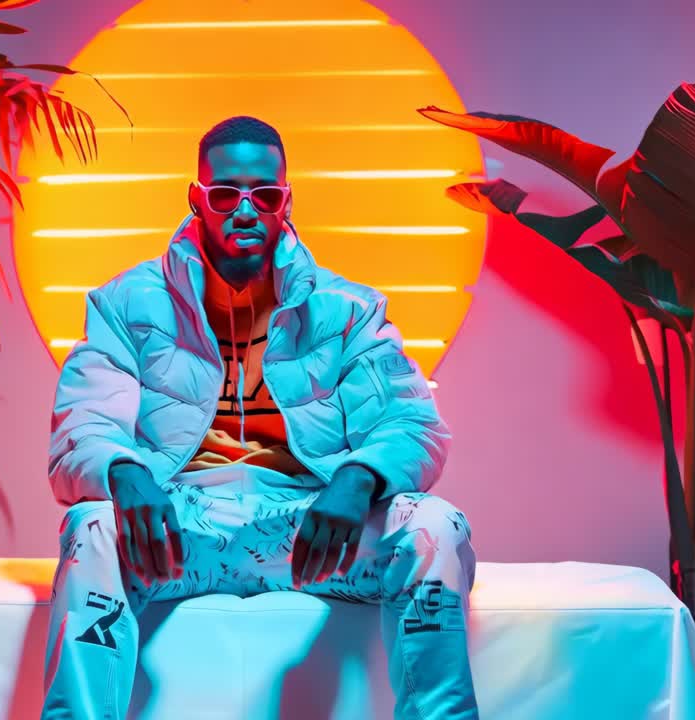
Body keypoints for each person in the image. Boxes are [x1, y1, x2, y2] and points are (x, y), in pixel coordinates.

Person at [40, 115, 479, 720]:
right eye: (225, 194)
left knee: (435, 525)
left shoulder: (348, 309)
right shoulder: (124, 304)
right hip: (180, 528)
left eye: (264, 195)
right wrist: (124, 473)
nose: (245, 210)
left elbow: (415, 426)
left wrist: (359, 478)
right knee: (93, 525)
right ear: (197, 199)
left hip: (309, 533)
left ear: (285, 201)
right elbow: (81, 428)